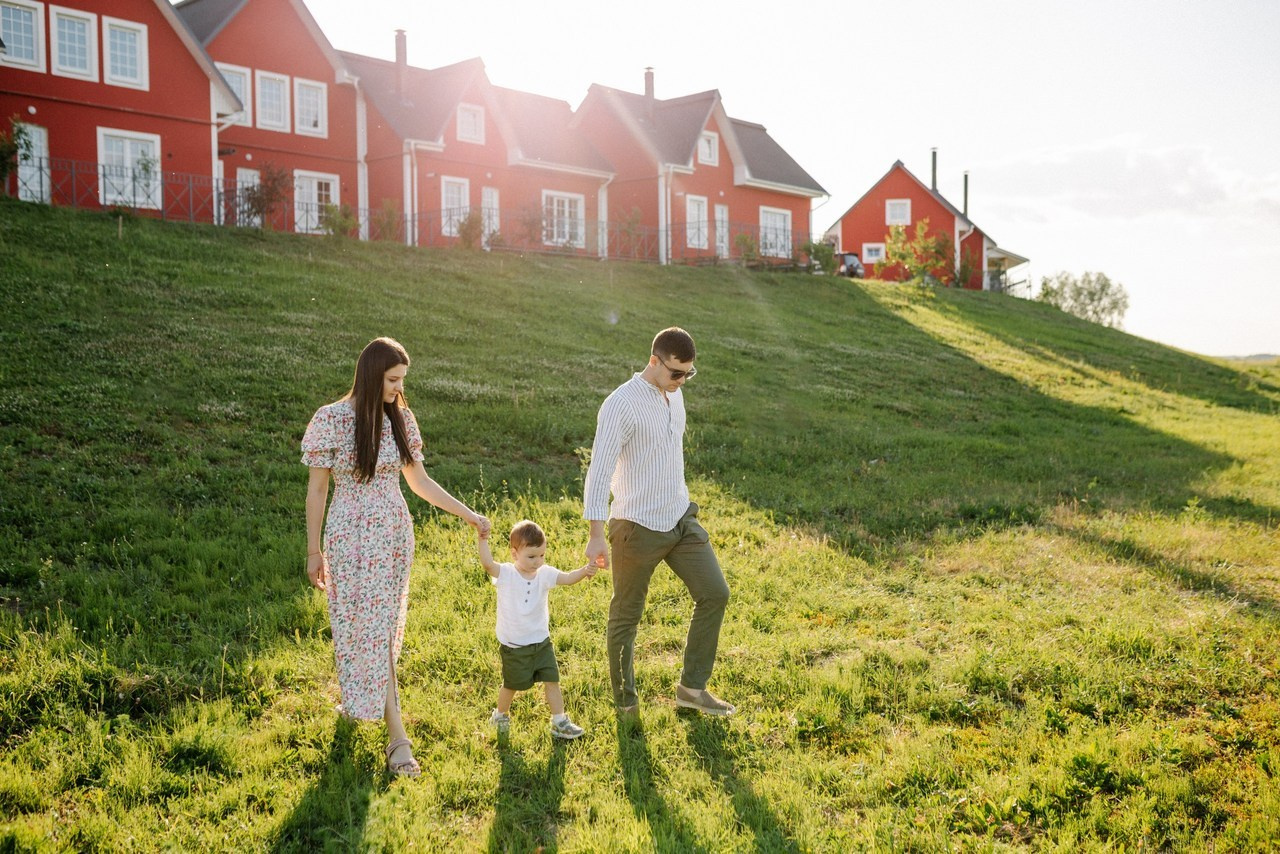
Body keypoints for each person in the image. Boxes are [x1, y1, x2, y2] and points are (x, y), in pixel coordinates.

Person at [302, 337, 490, 777]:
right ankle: (382, 723)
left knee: (381, 627)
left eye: (402, 379)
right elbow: (317, 489)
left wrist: (467, 513)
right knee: (357, 625)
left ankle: (388, 728)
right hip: (350, 535)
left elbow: (419, 481)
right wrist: (313, 550)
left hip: (392, 533)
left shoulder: (399, 418)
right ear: (371, 375)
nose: (398, 388)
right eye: (391, 379)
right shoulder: (331, 419)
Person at [583, 327, 734, 717]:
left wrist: (681, 503)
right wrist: (596, 534)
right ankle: (625, 704)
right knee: (626, 615)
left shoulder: (674, 394)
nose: (682, 381)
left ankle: (691, 688)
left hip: (680, 518)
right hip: (636, 526)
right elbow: (598, 473)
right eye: (676, 373)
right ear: (654, 362)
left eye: (688, 374)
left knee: (715, 593)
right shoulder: (621, 404)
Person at [478, 519, 597, 740]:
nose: (537, 561)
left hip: (541, 642)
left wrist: (585, 570)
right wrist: (482, 539)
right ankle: (500, 714)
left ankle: (559, 721)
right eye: (531, 557)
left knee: (552, 679)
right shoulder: (506, 574)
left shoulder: (545, 573)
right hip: (514, 646)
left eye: (541, 555)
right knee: (511, 685)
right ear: (515, 554)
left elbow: (568, 578)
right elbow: (488, 564)